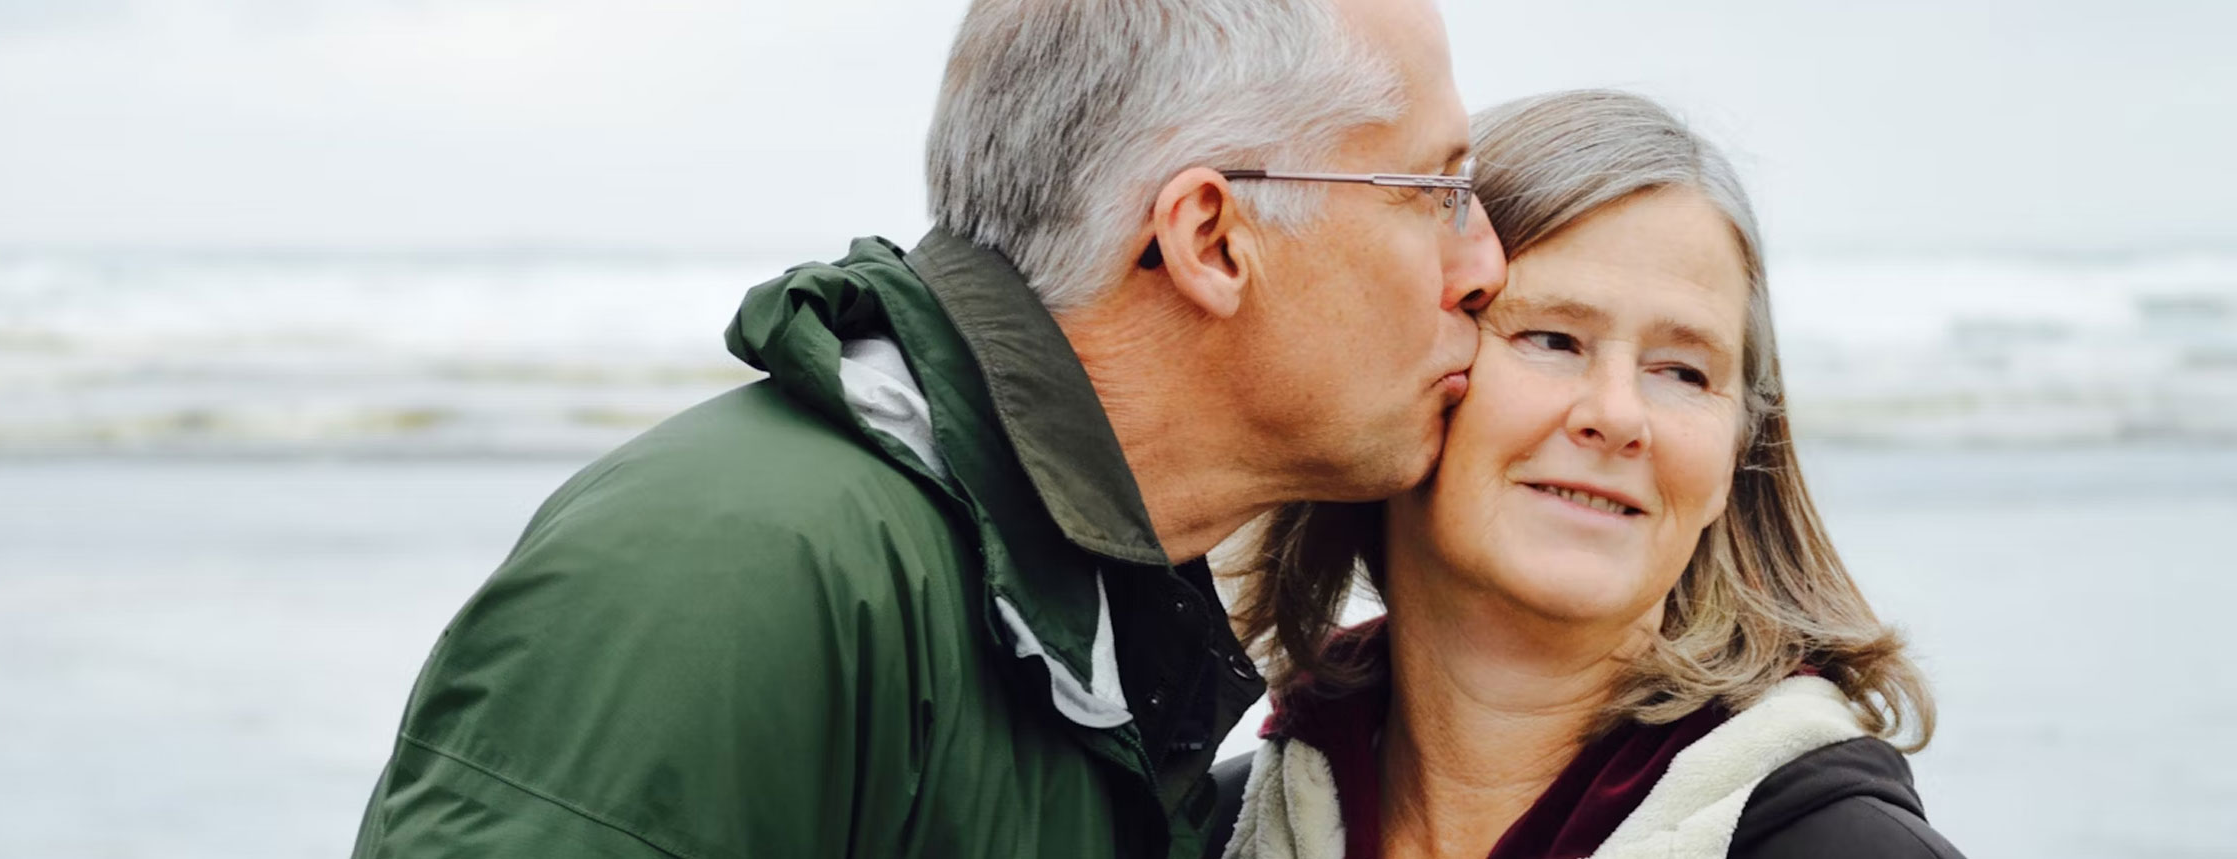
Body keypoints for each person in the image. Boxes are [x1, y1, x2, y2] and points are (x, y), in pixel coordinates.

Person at [349, 0, 1506, 856]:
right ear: (1210, 238)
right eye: (1436, 194)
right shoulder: (736, 573)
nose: (1483, 266)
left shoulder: (1089, 615)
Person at [1210, 89, 1962, 859]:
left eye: (1683, 371)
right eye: (1553, 338)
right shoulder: (1206, 828)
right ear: (1411, 364)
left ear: (1740, 448)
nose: (1618, 414)